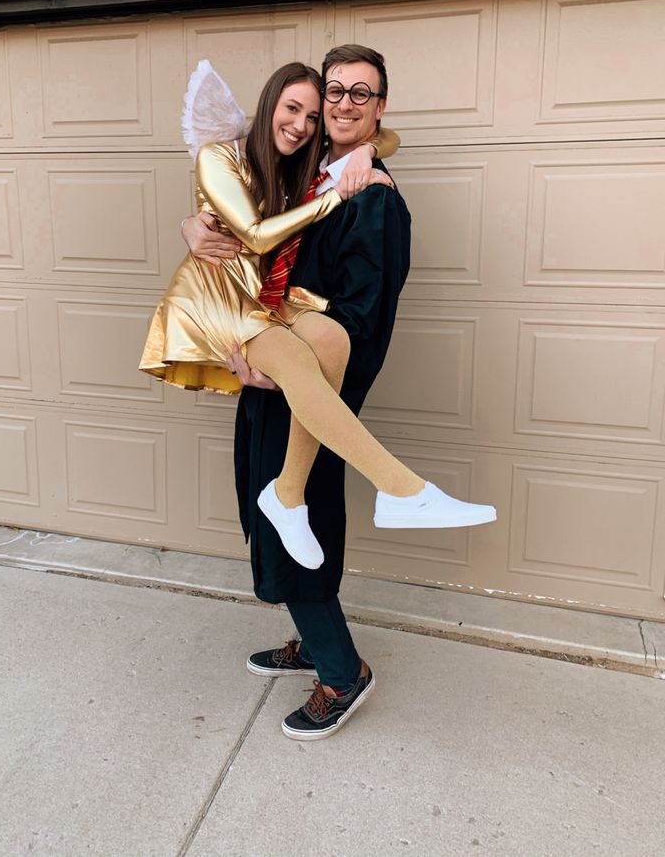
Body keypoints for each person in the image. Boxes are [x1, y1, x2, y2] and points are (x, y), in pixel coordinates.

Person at [181, 45, 497, 740]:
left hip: (315, 393)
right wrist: (195, 227)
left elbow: (363, 320)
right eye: (336, 91)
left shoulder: (375, 203)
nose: (346, 103)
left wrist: (299, 369)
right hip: (269, 379)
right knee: (271, 511)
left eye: (364, 93)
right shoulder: (308, 173)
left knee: (304, 524)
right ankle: (308, 635)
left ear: (380, 105)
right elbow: (235, 220)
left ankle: (339, 670)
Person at [142, 59, 495, 569]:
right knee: (304, 359)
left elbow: (380, 138)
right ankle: (401, 488)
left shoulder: (298, 164)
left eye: (312, 116)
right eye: (296, 109)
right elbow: (259, 235)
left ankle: (288, 494)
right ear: (269, 107)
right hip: (220, 299)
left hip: (266, 298)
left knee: (331, 340)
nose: (303, 124)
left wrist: (369, 152)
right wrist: (342, 192)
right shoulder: (223, 155)